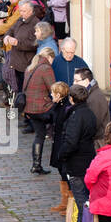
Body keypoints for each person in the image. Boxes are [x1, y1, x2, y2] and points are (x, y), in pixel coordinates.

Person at [58, 86, 98, 222]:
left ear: (72, 99)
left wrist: (62, 155)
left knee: (81, 196)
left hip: (77, 161)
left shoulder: (76, 116)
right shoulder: (90, 114)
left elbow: (71, 142)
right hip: (88, 157)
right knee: (85, 195)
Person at [22, 49, 55, 174]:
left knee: (39, 135)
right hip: (43, 108)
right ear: (49, 57)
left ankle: (36, 165)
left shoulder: (30, 67)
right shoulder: (46, 68)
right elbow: (53, 89)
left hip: (30, 109)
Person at [5, 0, 41, 106]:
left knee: (25, 89)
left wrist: (17, 43)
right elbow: (11, 29)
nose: (21, 13)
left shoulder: (36, 23)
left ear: (31, 11)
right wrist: (7, 36)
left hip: (26, 62)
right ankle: (21, 107)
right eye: (20, 11)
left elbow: (34, 44)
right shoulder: (21, 19)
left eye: (24, 11)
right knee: (19, 87)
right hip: (16, 61)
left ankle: (26, 111)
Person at [48, 82, 72, 214]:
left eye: (52, 93)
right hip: (57, 141)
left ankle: (69, 203)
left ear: (58, 94)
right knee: (60, 171)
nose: (51, 95)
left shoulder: (66, 107)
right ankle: (64, 202)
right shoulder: (58, 105)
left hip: (62, 142)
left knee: (65, 171)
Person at [78, 67, 110, 146]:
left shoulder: (94, 98)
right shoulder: (89, 93)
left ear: (86, 81)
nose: (74, 83)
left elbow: (94, 124)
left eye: (76, 80)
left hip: (98, 141)